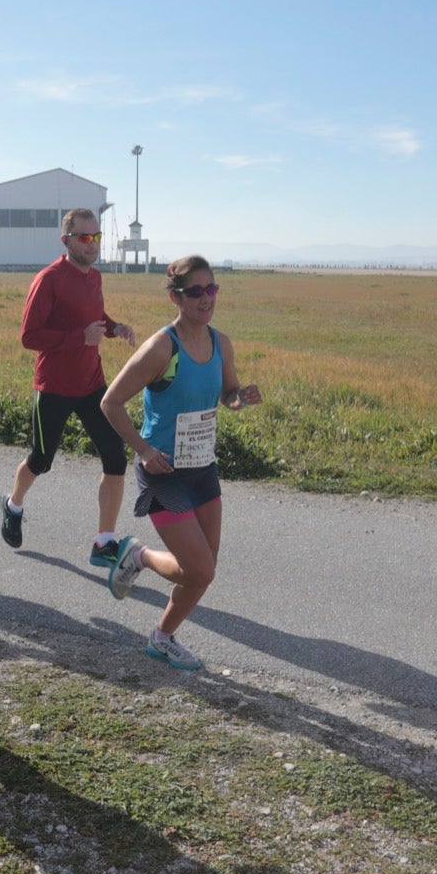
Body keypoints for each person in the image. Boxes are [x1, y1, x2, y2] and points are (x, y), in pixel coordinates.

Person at [98, 256, 262, 671]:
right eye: (196, 292)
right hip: (163, 473)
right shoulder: (161, 348)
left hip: (202, 468)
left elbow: (228, 394)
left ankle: (162, 637)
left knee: (203, 571)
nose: (206, 298)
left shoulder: (221, 343)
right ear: (176, 296)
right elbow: (111, 403)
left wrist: (241, 399)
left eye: (212, 289)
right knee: (200, 570)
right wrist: (144, 450)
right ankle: (140, 556)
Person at [0, 207, 136, 569]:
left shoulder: (95, 278)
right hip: (54, 387)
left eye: (96, 237)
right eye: (84, 237)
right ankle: (13, 505)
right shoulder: (49, 279)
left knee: (115, 457)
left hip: (92, 384)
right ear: (66, 240)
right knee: (41, 460)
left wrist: (114, 327)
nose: (92, 245)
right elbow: (29, 336)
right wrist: (80, 338)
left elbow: (95, 320)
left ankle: (104, 542)